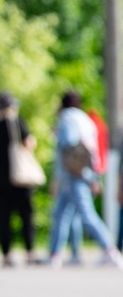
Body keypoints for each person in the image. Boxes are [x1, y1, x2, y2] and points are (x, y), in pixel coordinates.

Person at [47, 89, 123, 267]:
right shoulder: (85, 119)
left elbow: (67, 145)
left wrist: (57, 135)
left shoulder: (67, 118)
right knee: (62, 213)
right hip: (85, 171)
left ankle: (109, 249)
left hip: (73, 173)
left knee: (85, 214)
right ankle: (56, 253)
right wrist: (94, 176)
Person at [0, 91, 37, 267]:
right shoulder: (17, 123)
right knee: (26, 216)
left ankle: (6, 255)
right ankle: (30, 252)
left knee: (4, 219)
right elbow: (29, 143)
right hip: (19, 178)